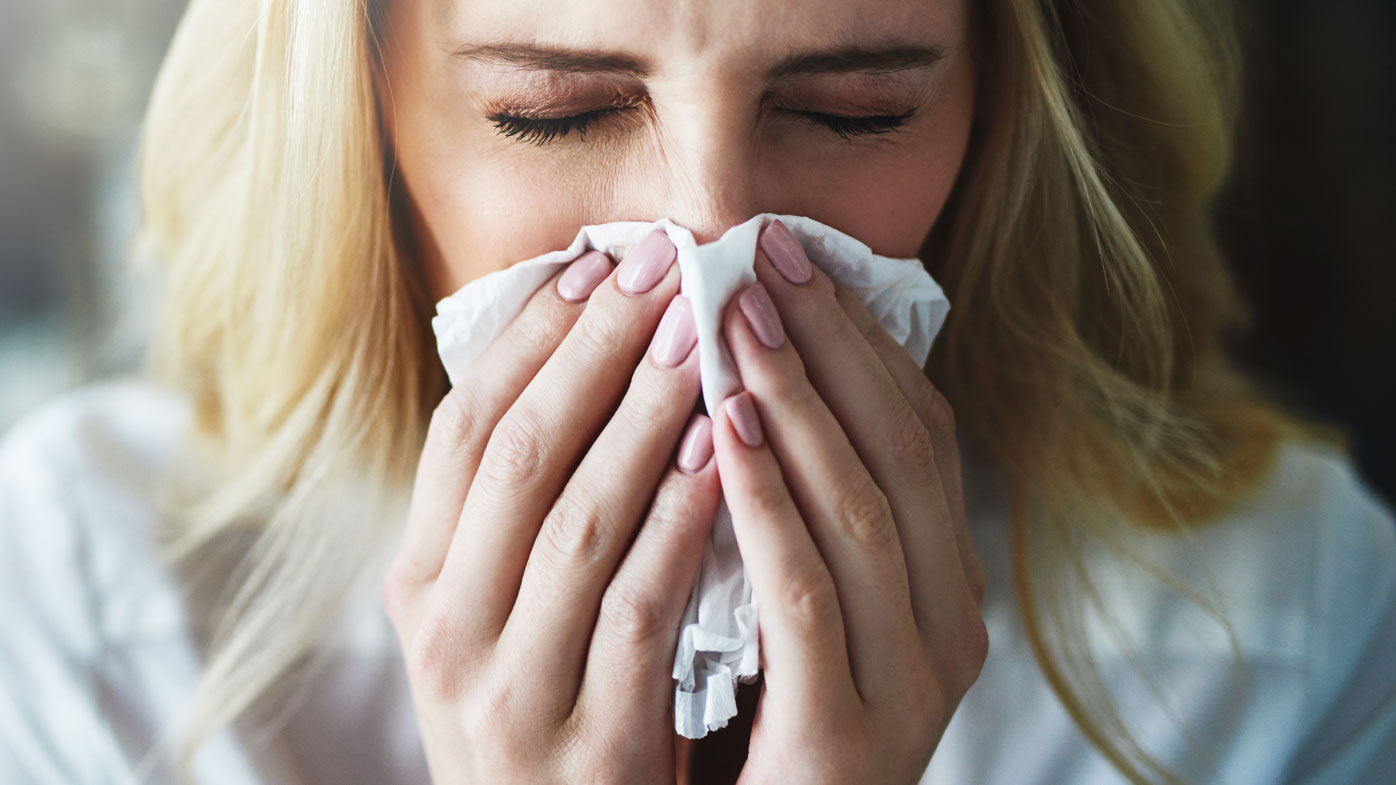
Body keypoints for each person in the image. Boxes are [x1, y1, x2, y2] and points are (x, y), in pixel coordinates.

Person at [1, 0, 1392, 783]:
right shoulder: (99, 606)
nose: (709, 239)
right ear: (358, 113)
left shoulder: (1288, 626)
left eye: (855, 111)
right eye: (554, 111)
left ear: (1005, 106)